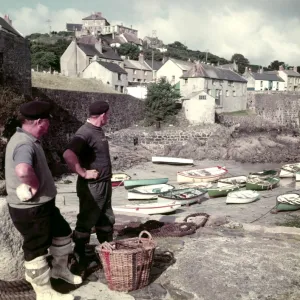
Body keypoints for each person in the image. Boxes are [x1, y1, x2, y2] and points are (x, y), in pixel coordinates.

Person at [5, 101, 82, 300]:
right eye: (48, 121)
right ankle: (44, 292)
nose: (49, 125)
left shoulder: (27, 138)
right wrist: (32, 184)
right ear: (39, 121)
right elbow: (22, 169)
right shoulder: (24, 143)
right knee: (36, 249)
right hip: (31, 209)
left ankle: (59, 271)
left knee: (63, 232)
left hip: (43, 206)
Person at [63, 101, 114, 276]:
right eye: (108, 114)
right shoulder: (85, 132)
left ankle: (106, 254)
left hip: (104, 184)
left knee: (106, 219)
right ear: (103, 115)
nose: (109, 116)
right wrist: (83, 173)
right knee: (86, 221)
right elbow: (68, 154)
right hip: (93, 187)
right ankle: (80, 260)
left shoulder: (97, 131)